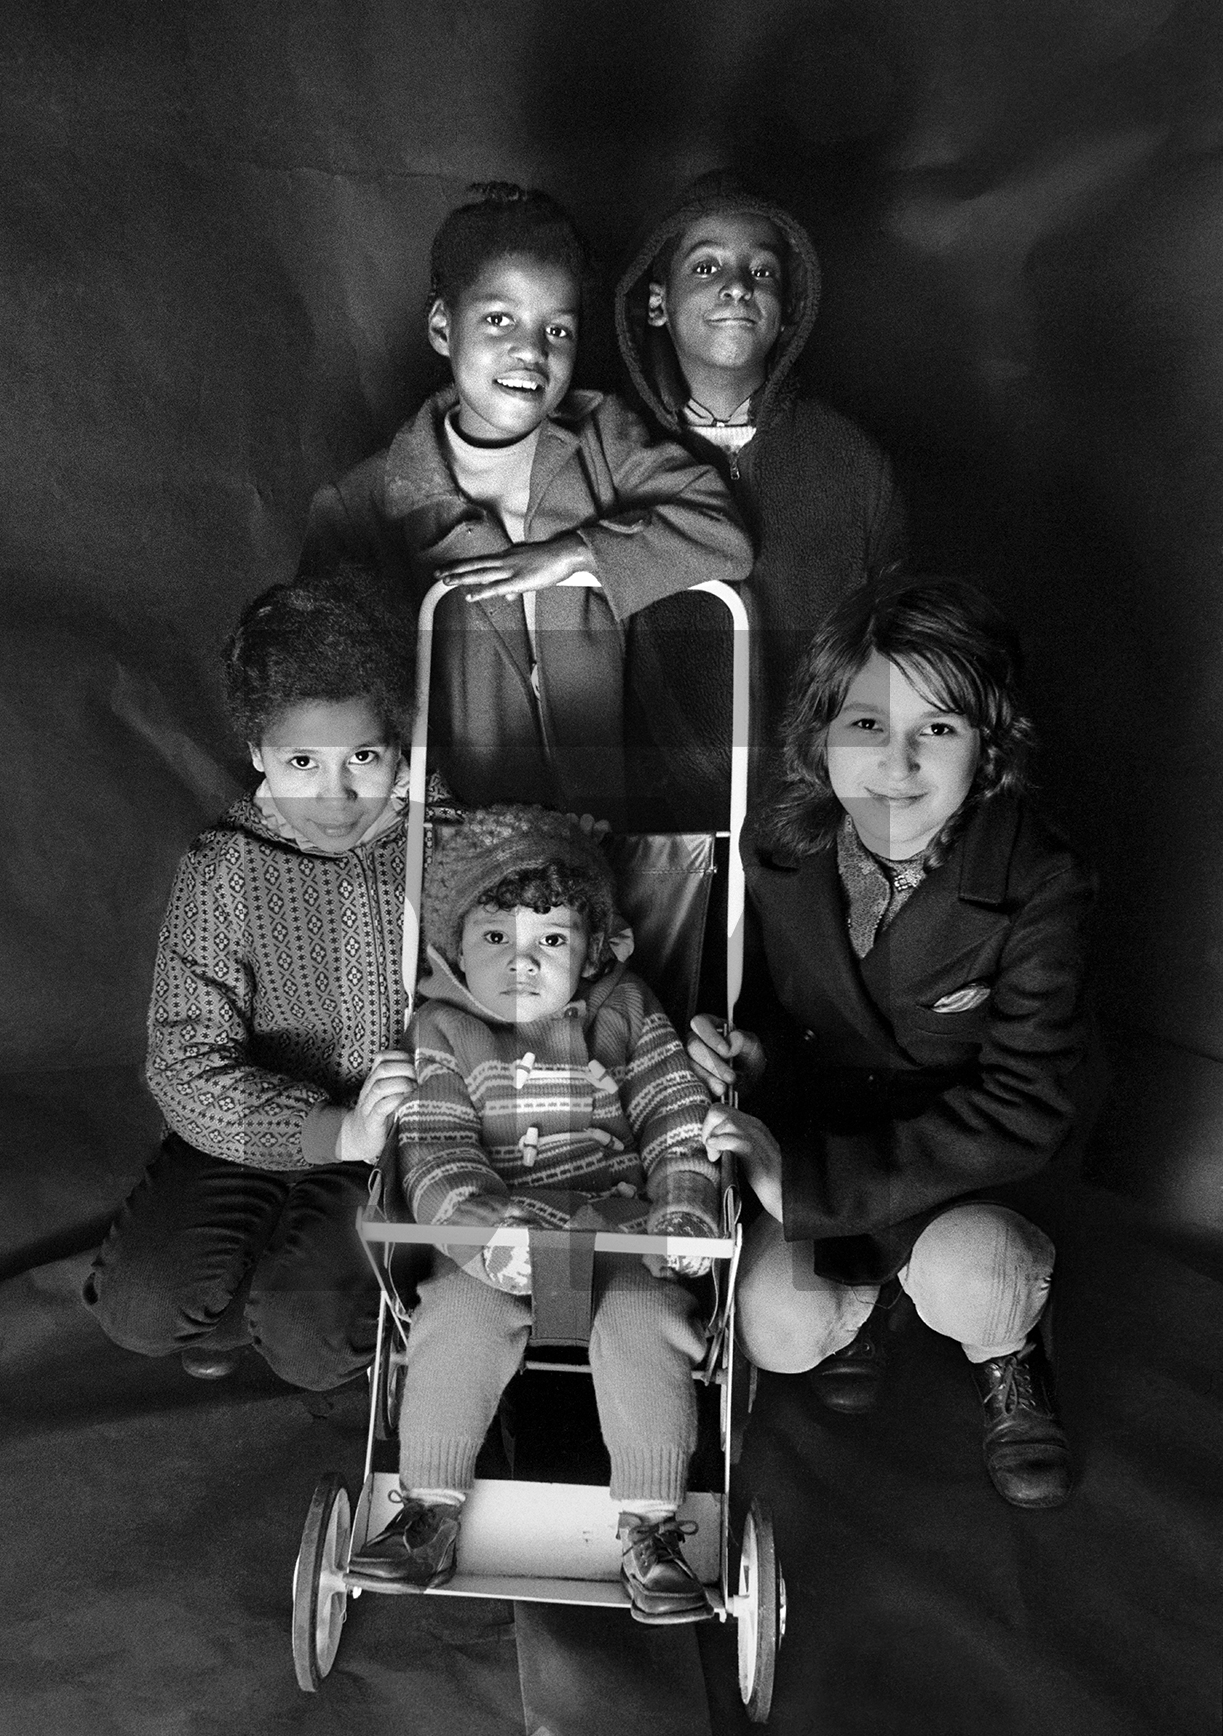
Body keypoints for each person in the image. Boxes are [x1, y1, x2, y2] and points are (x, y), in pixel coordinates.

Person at [694, 575, 1094, 1509]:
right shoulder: (778, 841)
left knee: (982, 1283)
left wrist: (805, 1190)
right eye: (868, 725)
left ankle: (1009, 1349)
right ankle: (870, 1305)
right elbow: (772, 1009)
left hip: (963, 1168)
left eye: (939, 730)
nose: (898, 763)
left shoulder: (1040, 880)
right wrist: (748, 1054)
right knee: (779, 1333)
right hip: (826, 1137)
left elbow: (1026, 1105)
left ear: (989, 747)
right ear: (823, 731)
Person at [84, 570, 459, 1390]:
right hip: (263, 1128)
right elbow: (184, 1063)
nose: (336, 795)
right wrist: (331, 1131)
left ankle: (321, 1310)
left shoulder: (455, 846)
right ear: (258, 754)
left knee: (310, 1340)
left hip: (394, 1143)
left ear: (402, 745)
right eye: (301, 761)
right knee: (142, 1308)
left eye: (363, 756)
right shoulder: (225, 865)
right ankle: (244, 1296)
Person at [353, 806, 722, 1621]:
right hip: (496, 1242)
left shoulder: (625, 1009)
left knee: (645, 1322)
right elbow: (438, 1153)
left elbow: (674, 1116)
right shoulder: (441, 1030)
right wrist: (487, 1240)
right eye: (494, 940)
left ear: (591, 948)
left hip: (620, 1235)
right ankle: (428, 1507)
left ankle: (652, 1528)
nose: (521, 963)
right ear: (453, 948)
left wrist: (685, 1211)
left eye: (550, 940)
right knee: (454, 1316)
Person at [300, 181, 752, 820]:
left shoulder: (603, 437)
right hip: (454, 842)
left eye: (558, 328)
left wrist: (573, 555)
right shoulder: (361, 506)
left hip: (606, 828)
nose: (531, 350)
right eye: (498, 319)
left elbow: (724, 535)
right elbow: (328, 697)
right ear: (441, 327)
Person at [614, 170, 905, 811]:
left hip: (815, 814)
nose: (737, 286)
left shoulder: (853, 465)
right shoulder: (608, 454)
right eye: (707, 266)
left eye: (763, 272)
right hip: (652, 827)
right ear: (657, 302)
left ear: (789, 310)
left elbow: (899, 660)